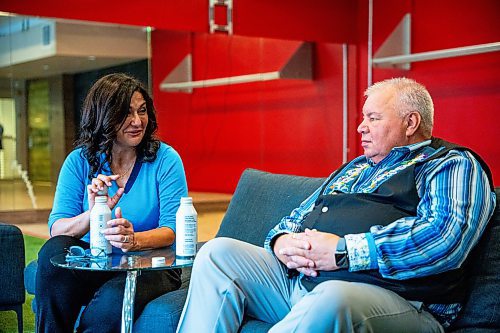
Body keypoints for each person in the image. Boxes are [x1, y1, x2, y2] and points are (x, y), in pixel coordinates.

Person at [176, 77, 496, 333]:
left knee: (332, 297)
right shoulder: (355, 168)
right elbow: (296, 216)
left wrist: (343, 251)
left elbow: (445, 239)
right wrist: (282, 242)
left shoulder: (451, 164)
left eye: (373, 118)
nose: (361, 127)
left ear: (411, 122)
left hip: (401, 301)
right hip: (304, 282)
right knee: (218, 253)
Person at [36, 73, 188, 332]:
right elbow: (57, 230)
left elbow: (172, 230)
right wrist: (92, 214)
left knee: (111, 302)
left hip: (150, 265)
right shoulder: (78, 161)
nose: (137, 121)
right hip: (95, 261)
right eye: (126, 113)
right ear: (103, 116)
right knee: (52, 254)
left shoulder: (166, 159)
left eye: (142, 111)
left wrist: (133, 240)